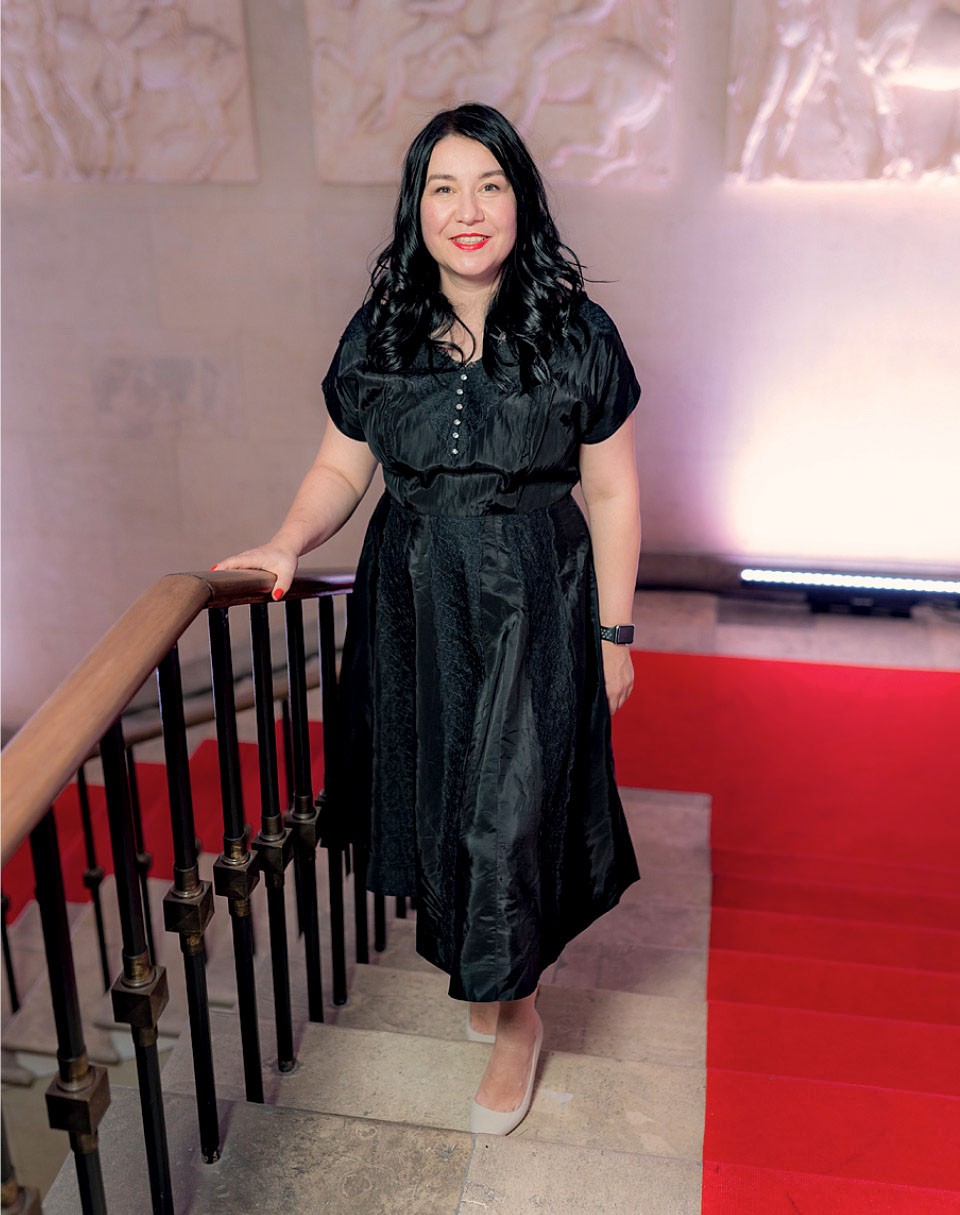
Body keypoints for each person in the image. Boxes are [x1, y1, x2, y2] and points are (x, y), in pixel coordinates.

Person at [213, 102, 642, 1136]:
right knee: (447, 798)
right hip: (413, 600)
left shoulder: (577, 331)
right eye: (444, 188)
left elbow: (615, 491)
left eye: (490, 185)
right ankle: (493, 967)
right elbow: (340, 467)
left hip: (536, 597)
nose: (467, 209)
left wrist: (615, 633)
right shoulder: (383, 329)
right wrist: (286, 541)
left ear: (521, 201)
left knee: (510, 808)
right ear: (417, 208)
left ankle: (517, 1018)